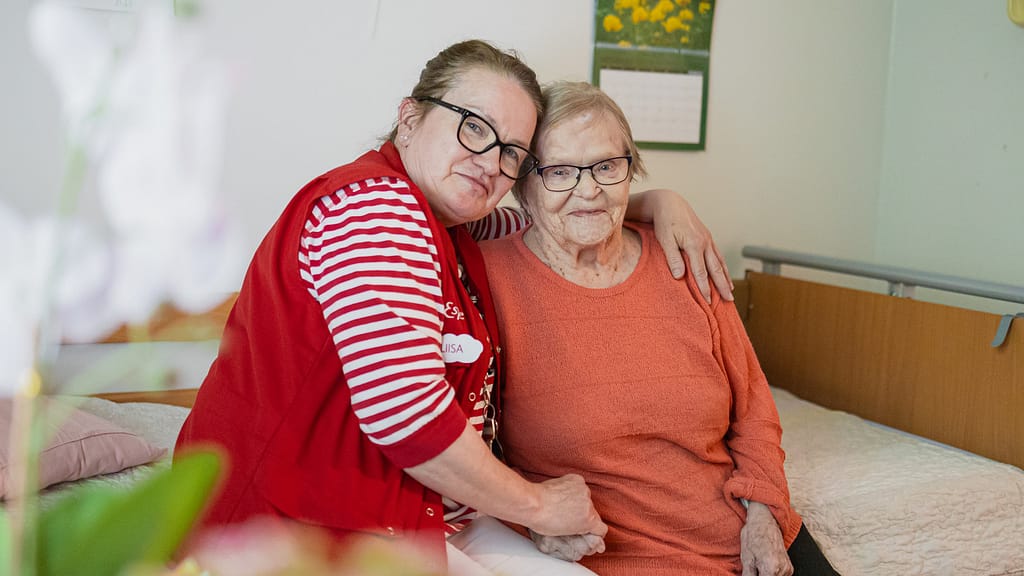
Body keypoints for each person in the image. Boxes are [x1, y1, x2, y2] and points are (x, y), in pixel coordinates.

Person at [175, 41, 732, 573]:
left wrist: (658, 202)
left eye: (511, 152)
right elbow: (409, 417)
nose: (490, 162)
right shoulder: (377, 209)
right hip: (294, 532)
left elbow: (552, 215)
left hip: (417, 515)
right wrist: (539, 506)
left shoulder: (452, 224)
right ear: (410, 118)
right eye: (474, 127)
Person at [480, 81, 839, 576]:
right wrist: (531, 516)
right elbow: (469, 441)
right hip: (619, 557)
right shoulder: (487, 277)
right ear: (523, 185)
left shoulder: (684, 257)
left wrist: (764, 513)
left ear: (631, 170)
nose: (589, 189)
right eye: (560, 171)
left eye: (607, 166)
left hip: (742, 534)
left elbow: (754, 409)